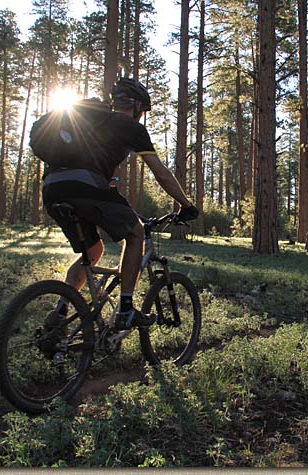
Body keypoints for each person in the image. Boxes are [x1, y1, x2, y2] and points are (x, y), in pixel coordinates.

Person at [42, 78, 198, 330]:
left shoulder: (92, 119)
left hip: (52, 188)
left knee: (92, 252)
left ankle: (61, 311)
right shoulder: (129, 126)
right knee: (137, 232)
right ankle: (125, 310)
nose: (141, 116)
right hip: (85, 187)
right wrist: (185, 204)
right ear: (136, 106)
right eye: (142, 111)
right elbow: (161, 173)